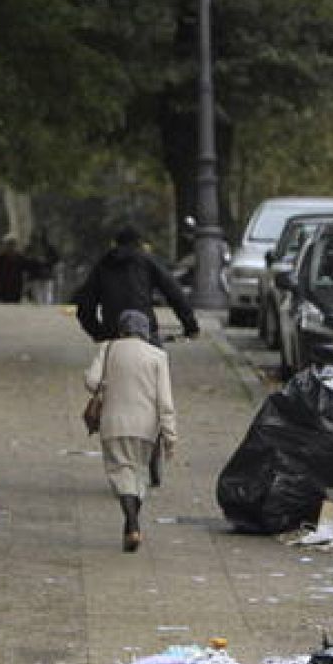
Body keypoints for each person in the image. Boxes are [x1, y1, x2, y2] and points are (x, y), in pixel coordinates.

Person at [84, 310, 177, 552]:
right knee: (138, 474)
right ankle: (130, 528)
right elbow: (165, 401)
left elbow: (91, 381)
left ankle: (133, 524)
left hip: (113, 423)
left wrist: (107, 383)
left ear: (122, 329)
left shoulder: (108, 348)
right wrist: (170, 436)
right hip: (146, 428)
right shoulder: (158, 356)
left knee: (121, 472)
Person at [74, 225, 200, 344]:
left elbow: (85, 304)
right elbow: (174, 293)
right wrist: (191, 327)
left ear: (116, 243)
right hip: (145, 331)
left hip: (113, 332)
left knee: (112, 358)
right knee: (155, 357)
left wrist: (99, 333)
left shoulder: (103, 265)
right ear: (140, 243)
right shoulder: (147, 261)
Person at [0, 236, 28, 304]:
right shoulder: (1, 258)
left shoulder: (20, 258)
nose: (11, 247)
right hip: (4, 287)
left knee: (15, 304)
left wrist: (24, 286)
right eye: (9, 245)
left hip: (16, 287)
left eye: (12, 245)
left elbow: (24, 272)